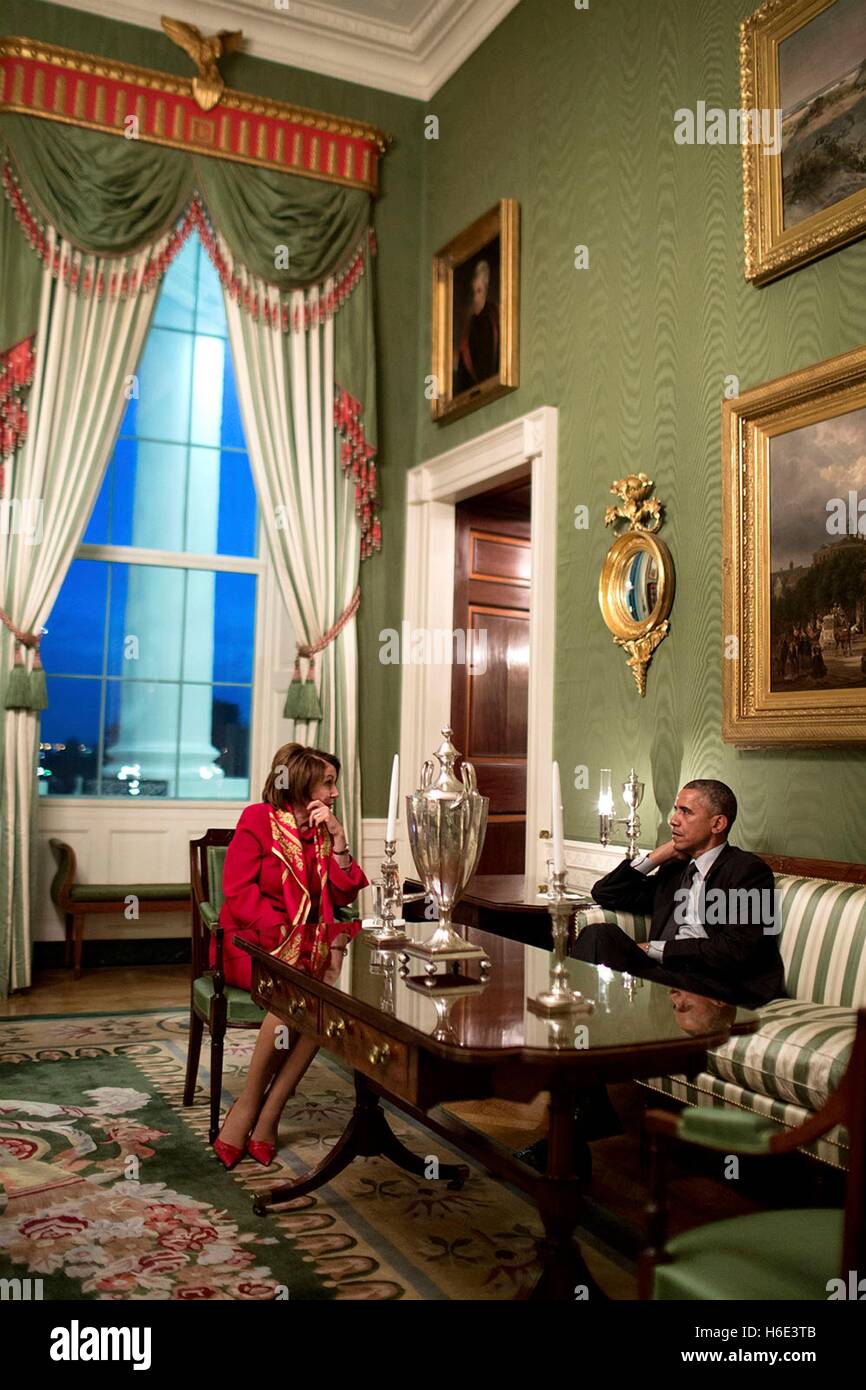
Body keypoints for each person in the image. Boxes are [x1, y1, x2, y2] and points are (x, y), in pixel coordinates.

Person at [212, 743, 368, 1169]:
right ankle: (247, 1107)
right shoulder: (258, 820)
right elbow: (239, 895)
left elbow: (342, 892)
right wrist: (290, 939)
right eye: (329, 783)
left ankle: (270, 1112)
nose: (335, 793)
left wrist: (339, 840)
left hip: (308, 950)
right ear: (301, 782)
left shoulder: (321, 829)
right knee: (293, 999)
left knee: (323, 1003)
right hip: (251, 944)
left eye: (336, 783)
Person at [571, 779, 786, 1010]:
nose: (674, 819)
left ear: (717, 824)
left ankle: (587, 1019)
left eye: (686, 812)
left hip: (714, 981)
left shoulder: (748, 871)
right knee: (599, 934)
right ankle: (579, 1013)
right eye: (676, 810)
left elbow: (736, 949)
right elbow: (605, 893)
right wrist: (660, 855)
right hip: (668, 973)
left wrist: (652, 949)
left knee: (613, 976)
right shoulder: (676, 869)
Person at [453, 258, 500, 395]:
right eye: (473, 292)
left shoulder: (495, 316)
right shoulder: (469, 327)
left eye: (479, 291)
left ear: (485, 290)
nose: (475, 298)